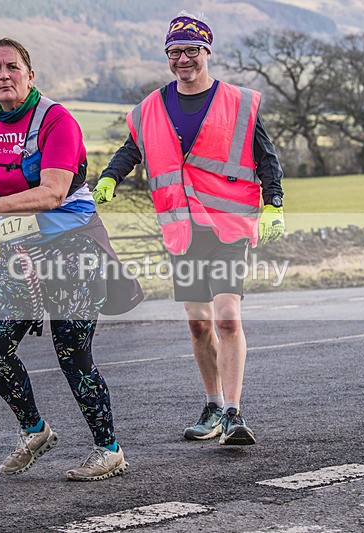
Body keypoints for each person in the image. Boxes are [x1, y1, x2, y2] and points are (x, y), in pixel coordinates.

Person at [0, 38, 142, 480]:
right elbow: (7, 191)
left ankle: (108, 450)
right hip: (22, 249)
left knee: (71, 350)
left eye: (12, 67)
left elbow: (55, 192)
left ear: (30, 75)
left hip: (74, 248)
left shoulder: (57, 120)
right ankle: (34, 429)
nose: (3, 75)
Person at [93, 12, 286, 445]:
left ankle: (235, 414)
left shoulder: (239, 101)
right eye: (175, 52)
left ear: (207, 53)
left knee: (228, 318)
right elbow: (133, 149)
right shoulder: (151, 107)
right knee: (199, 325)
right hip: (181, 230)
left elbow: (266, 156)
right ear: (168, 56)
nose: (184, 59)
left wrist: (273, 203)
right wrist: (109, 177)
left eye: (191, 51)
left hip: (228, 226)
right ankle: (214, 405)